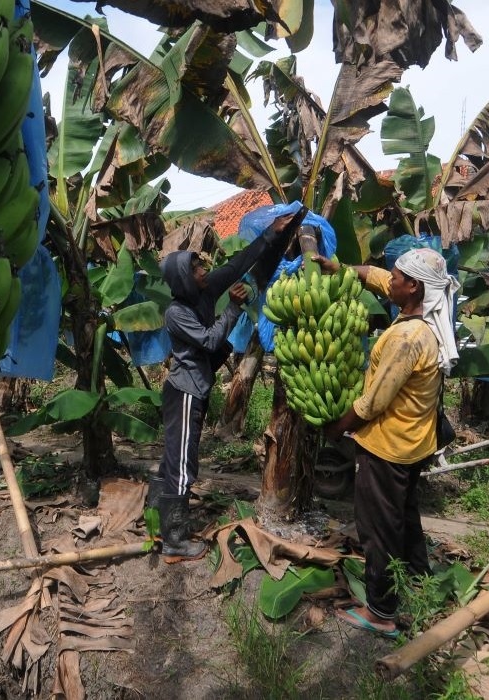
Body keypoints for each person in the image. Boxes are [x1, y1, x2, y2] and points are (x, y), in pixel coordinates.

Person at [313, 247, 460, 637]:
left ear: (413, 287)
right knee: (404, 519)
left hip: (387, 446)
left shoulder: (408, 338)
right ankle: (416, 583)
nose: (388, 281)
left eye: (396, 278)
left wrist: (337, 429)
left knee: (378, 528)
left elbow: (373, 402)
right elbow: (377, 277)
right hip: (414, 443)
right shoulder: (422, 311)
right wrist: (340, 267)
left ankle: (381, 613)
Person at [149, 210, 305, 563]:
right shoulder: (177, 312)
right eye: (197, 269)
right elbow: (208, 340)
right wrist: (233, 309)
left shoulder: (203, 292)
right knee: (182, 462)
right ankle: (173, 538)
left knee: (175, 456)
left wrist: (271, 233)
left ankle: (157, 515)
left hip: (192, 388)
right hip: (186, 391)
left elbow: (236, 266)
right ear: (184, 279)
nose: (204, 271)